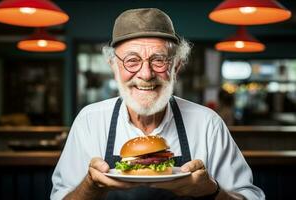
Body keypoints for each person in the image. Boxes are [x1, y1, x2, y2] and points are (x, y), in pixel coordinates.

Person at [51, 8, 265, 200]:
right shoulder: (89, 121)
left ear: (177, 67)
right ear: (114, 66)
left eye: (159, 60)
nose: (146, 74)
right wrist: (91, 185)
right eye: (132, 60)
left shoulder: (208, 124)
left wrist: (210, 191)